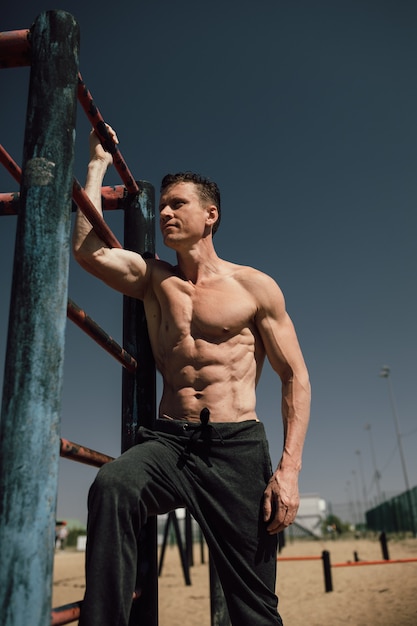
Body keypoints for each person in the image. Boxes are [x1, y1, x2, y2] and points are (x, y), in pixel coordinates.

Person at [73, 128, 311, 626]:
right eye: (162, 206)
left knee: (253, 607)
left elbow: (295, 379)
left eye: (178, 204)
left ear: (210, 216)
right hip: (170, 443)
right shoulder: (155, 280)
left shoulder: (254, 287)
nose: (165, 214)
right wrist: (96, 165)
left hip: (236, 447)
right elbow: (88, 252)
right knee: (114, 485)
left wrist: (288, 471)